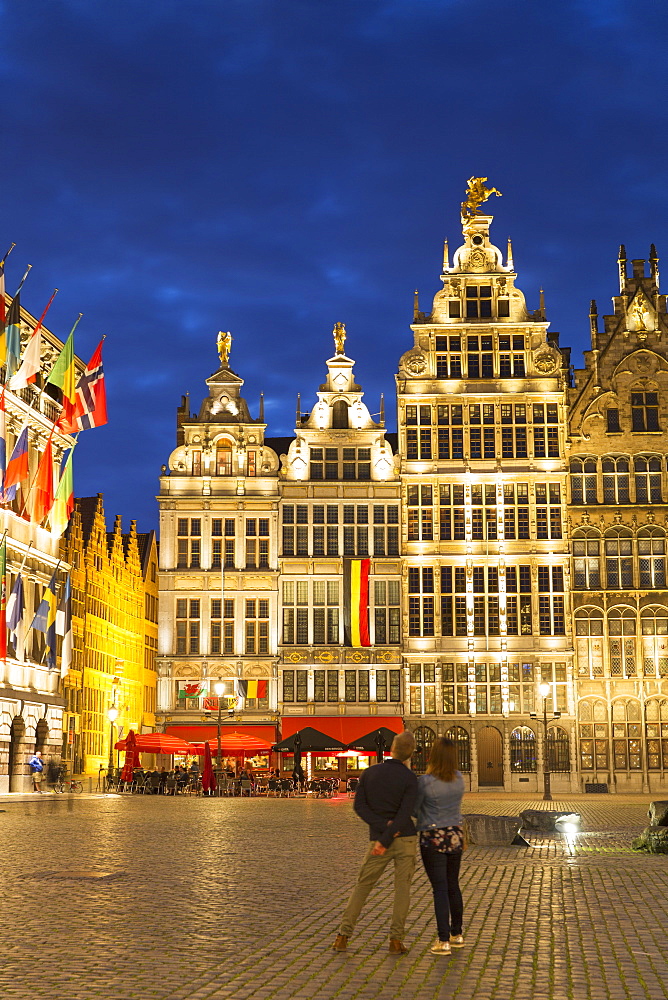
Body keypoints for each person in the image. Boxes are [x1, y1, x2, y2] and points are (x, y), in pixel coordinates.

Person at [333, 731, 417, 956]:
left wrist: (381, 833)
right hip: (405, 839)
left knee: (363, 886)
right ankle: (396, 941)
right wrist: (390, 833)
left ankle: (343, 936)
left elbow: (359, 807)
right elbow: (405, 814)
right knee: (402, 890)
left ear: (392, 748)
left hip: (378, 840)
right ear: (411, 754)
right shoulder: (409, 778)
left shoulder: (370, 773)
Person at [415, 737, 466, 956]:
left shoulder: (425, 781)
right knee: (453, 884)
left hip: (433, 836)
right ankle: (457, 934)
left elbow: (416, 809)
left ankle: (442, 939)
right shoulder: (459, 778)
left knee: (440, 888)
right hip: (455, 835)